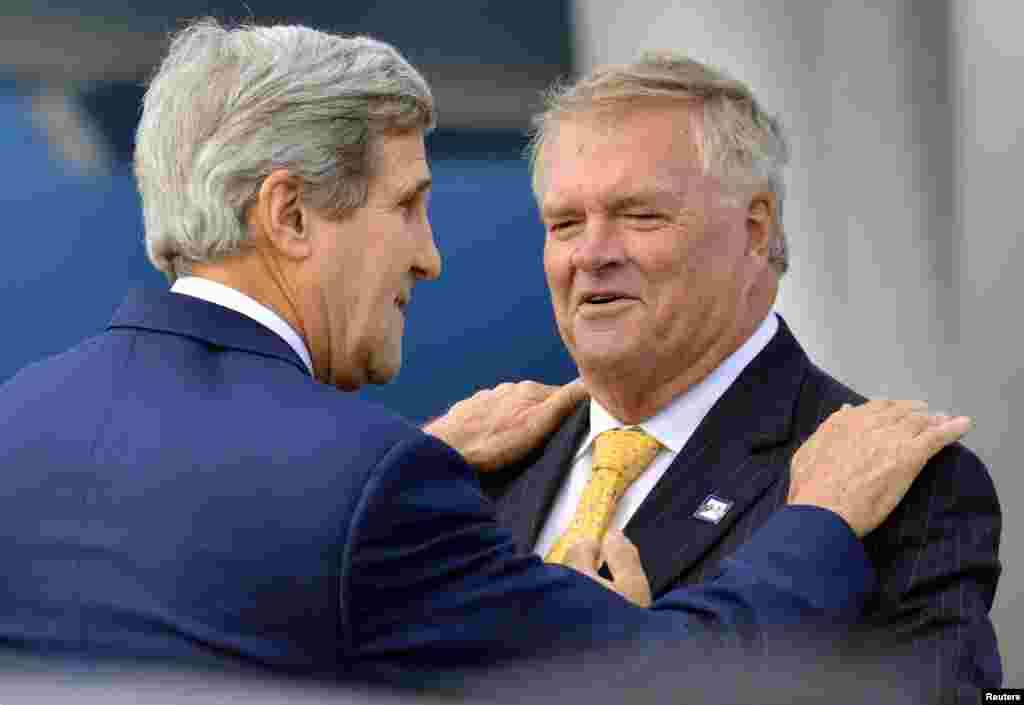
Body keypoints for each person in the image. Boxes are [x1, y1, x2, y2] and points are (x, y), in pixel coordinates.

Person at [0, 19, 969, 699]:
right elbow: (658, 680)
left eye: (639, 215)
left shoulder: (19, 426)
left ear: (755, 230)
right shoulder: (369, 483)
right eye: (406, 205)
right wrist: (820, 519)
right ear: (290, 214)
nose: (429, 254)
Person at [480, 51, 1002, 702]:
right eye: (565, 224)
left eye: (640, 215)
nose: (592, 253)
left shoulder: (906, 492)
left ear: (755, 232)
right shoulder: (483, 473)